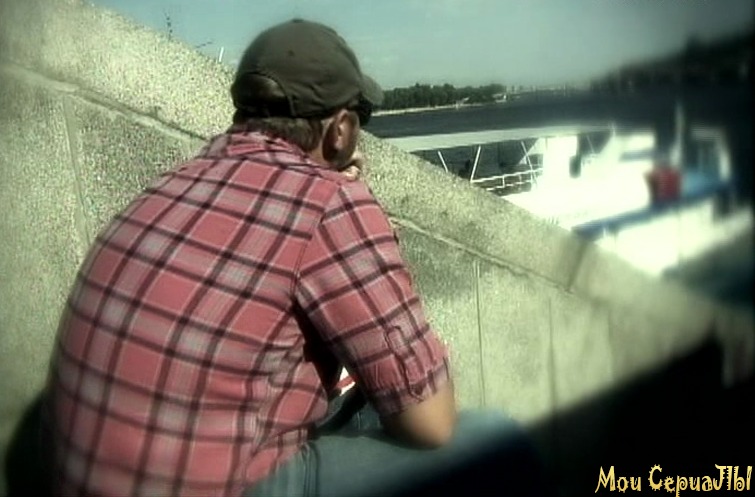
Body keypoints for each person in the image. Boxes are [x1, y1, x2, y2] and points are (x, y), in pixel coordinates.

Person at [40, 19, 550, 497]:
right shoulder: (328, 201)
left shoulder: (176, 183)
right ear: (341, 130)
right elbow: (431, 422)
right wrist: (356, 213)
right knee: (494, 440)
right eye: (361, 120)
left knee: (362, 401)